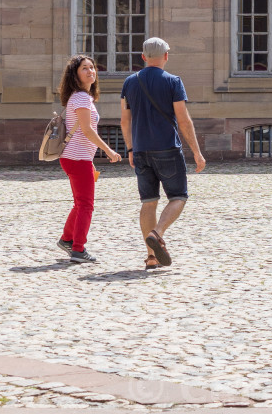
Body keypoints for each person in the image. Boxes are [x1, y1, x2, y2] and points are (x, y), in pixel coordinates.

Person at [120, 36, 206, 270]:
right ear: (166, 56)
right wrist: (197, 152)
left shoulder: (130, 82)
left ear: (143, 57)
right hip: (167, 148)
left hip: (140, 150)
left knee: (149, 203)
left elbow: (125, 120)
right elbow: (183, 120)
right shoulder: (173, 81)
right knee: (178, 196)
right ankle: (157, 233)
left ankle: (151, 257)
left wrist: (129, 148)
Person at [57, 54, 122, 262]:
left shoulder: (81, 97)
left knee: (80, 203)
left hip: (78, 157)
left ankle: (67, 239)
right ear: (75, 74)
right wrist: (109, 151)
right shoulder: (81, 98)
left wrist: (91, 157)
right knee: (86, 205)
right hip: (76, 158)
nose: (90, 71)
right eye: (85, 68)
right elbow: (86, 130)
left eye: (92, 67)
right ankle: (78, 249)